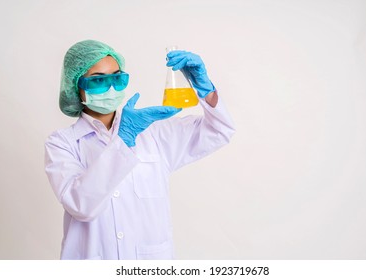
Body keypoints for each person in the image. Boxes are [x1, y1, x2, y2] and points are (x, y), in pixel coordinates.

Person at [44, 40, 235, 260]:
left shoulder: (153, 132)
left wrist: (205, 89)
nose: (112, 87)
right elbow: (82, 205)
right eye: (98, 80)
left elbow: (220, 130)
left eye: (117, 77)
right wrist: (124, 140)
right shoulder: (61, 143)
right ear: (75, 86)